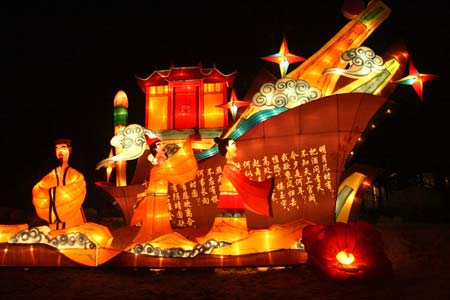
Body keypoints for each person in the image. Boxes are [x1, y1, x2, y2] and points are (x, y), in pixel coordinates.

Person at [129, 129, 200, 245]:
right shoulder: (160, 161)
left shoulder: (162, 161)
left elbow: (171, 167)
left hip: (160, 193)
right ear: (154, 149)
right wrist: (188, 143)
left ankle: (157, 233)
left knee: (159, 214)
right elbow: (173, 165)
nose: (162, 145)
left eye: (161, 143)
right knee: (156, 214)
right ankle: (155, 234)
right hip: (157, 194)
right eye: (159, 144)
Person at [196, 137, 273, 244]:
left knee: (234, 211)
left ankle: (234, 229)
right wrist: (261, 187)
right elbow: (245, 183)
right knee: (232, 212)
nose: (236, 147)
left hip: (235, 199)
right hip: (231, 199)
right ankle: (233, 230)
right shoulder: (229, 168)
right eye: (232, 144)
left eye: (235, 144)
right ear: (226, 147)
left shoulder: (231, 167)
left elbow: (244, 183)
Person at [32, 139, 86, 230]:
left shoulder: (75, 175)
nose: (60, 151)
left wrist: (55, 194)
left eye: (63, 148)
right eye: (57, 148)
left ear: (70, 150)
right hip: (54, 222)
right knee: (54, 239)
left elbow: (78, 191)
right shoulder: (50, 176)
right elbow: (38, 190)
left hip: (73, 220)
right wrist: (53, 196)